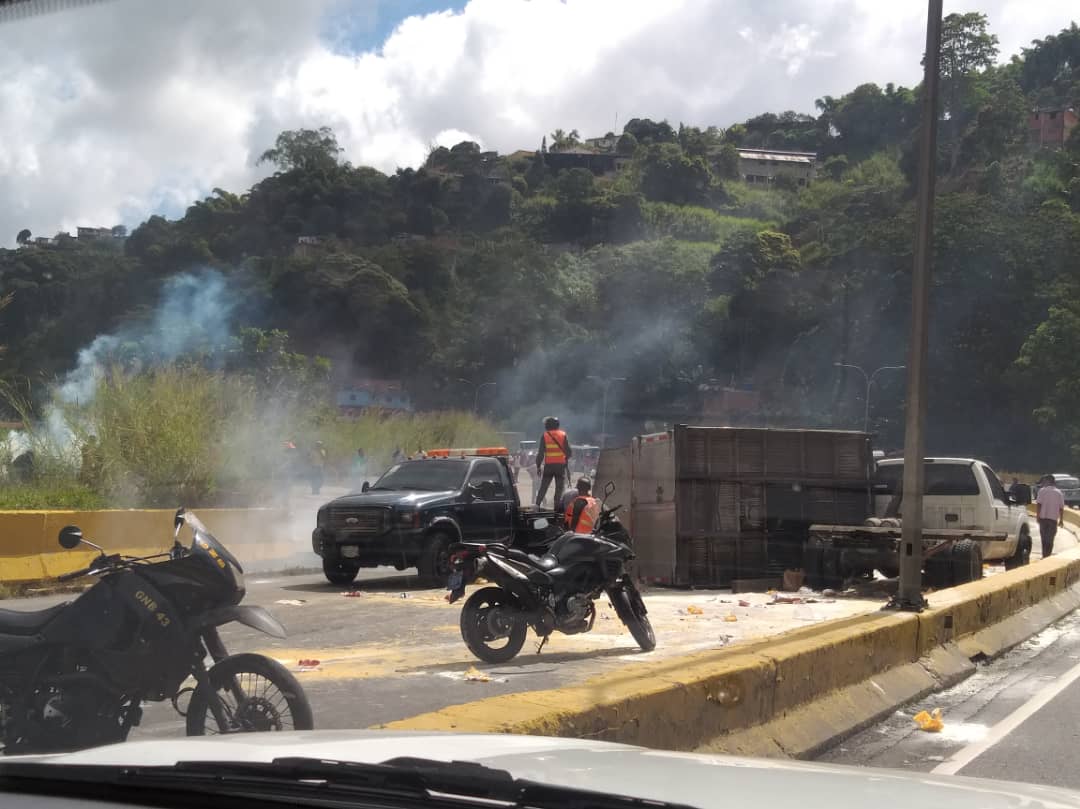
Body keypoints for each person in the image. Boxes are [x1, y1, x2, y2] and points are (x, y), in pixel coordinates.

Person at [535, 416, 571, 508]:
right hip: (560, 467)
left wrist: (538, 466)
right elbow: (569, 452)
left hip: (549, 466)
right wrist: (565, 459)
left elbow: (540, 454)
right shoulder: (563, 435)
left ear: (547, 426)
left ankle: (537, 504)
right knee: (559, 488)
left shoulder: (545, 436)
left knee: (544, 486)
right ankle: (556, 508)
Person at [1036, 474, 1065, 558]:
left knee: (1043, 538)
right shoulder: (1059, 493)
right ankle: (1047, 555)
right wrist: (1061, 520)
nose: (1044, 482)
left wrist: (1038, 516)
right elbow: (1061, 508)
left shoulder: (1042, 491)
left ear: (1048, 481)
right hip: (1053, 519)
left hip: (1043, 518)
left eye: (1045, 481)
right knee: (1050, 538)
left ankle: (1044, 555)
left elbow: (1039, 505)